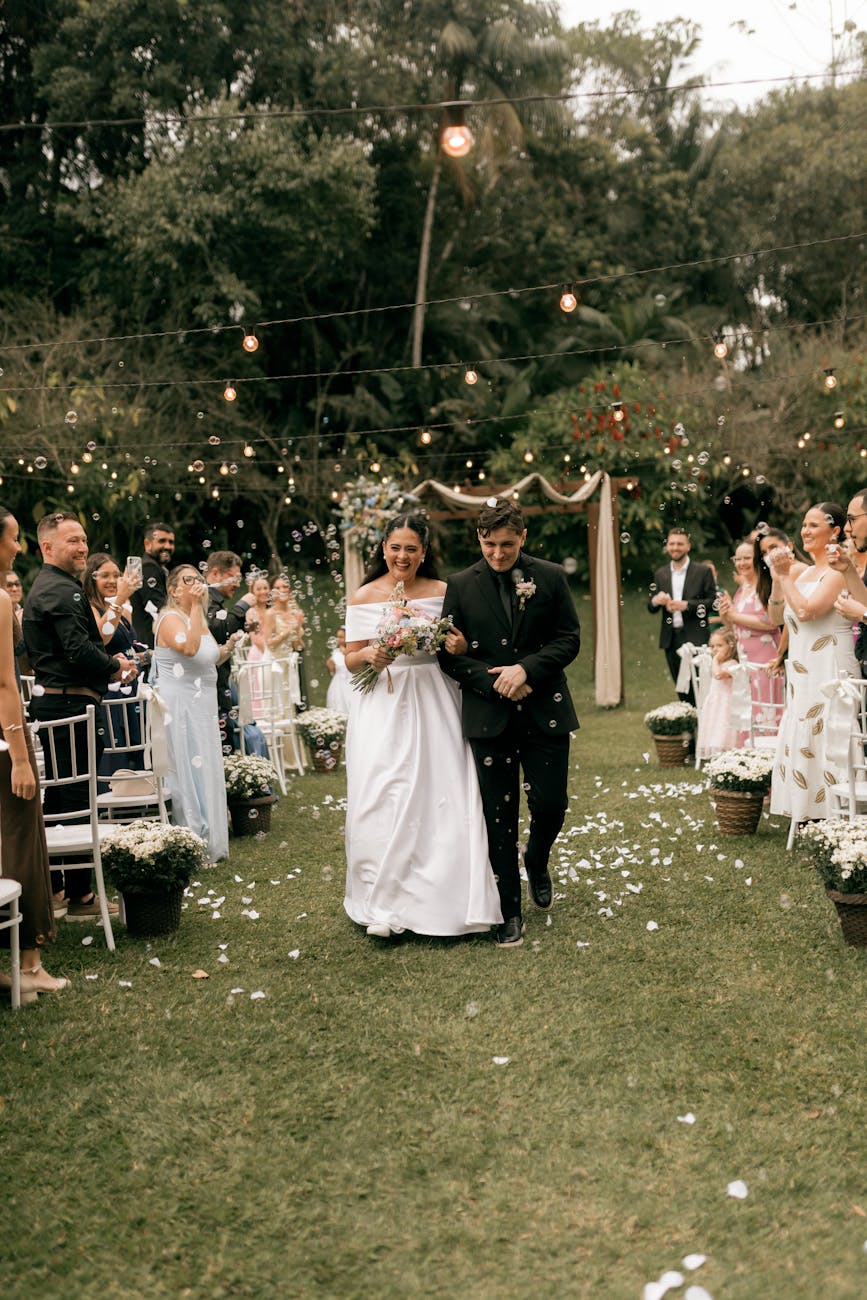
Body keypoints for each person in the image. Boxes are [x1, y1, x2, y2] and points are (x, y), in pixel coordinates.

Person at [343, 513, 502, 940]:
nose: (402, 555)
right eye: (395, 547)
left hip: (436, 697)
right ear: (383, 550)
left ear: (424, 553)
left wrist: (461, 645)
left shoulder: (444, 592)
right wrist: (373, 654)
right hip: (384, 701)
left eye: (411, 548)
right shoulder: (364, 596)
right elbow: (350, 657)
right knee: (384, 791)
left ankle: (447, 899)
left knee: (442, 790)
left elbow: (466, 642)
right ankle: (384, 901)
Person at [439, 497, 581, 948]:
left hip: (545, 710)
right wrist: (495, 681)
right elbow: (447, 654)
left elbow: (569, 639)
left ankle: (536, 860)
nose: (497, 554)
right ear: (478, 538)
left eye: (506, 544)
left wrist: (528, 671)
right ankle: (508, 911)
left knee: (552, 804)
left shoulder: (552, 577)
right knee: (497, 816)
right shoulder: (460, 585)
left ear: (523, 537)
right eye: (488, 544)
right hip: (489, 717)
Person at [23, 512, 137, 919]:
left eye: (84, 539)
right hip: (70, 705)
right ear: (48, 548)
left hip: (61, 702)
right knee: (77, 796)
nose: (83, 547)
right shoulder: (62, 591)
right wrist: (115, 667)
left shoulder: (55, 586)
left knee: (61, 795)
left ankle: (58, 888)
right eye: (73, 541)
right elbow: (78, 651)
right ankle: (80, 896)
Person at [0, 506, 67, 1001]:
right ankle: (29, 964)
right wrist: (21, 758)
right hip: (2, 738)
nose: (17, 548)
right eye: (14, 538)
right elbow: (4, 684)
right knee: (21, 843)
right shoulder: (1, 602)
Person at [767, 503, 857, 830]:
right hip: (802, 665)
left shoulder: (837, 573)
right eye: (803, 524)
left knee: (828, 729)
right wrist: (780, 580)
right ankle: (807, 811)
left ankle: (834, 811)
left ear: (835, 531)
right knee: (803, 725)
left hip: (829, 664)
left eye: (814, 525)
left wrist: (782, 577)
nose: (805, 531)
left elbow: (808, 611)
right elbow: (778, 618)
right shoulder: (802, 572)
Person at [152, 565, 231, 862]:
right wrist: (198, 605)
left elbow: (207, 656)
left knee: (204, 767)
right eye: (189, 580)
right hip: (181, 706)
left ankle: (211, 839)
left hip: (203, 706)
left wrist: (229, 648)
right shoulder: (169, 617)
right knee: (187, 769)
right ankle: (192, 841)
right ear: (173, 590)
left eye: (199, 579)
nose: (197, 583)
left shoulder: (195, 617)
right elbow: (188, 649)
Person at [84, 553, 147, 777]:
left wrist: (147, 656)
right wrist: (120, 599)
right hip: (112, 695)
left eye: (116, 575)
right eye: (105, 575)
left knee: (138, 753)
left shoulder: (119, 609)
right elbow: (102, 638)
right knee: (118, 757)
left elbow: (130, 648)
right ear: (91, 578)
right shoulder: (91, 608)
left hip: (132, 692)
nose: (112, 580)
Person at [718, 538, 783, 740]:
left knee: (766, 704)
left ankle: (769, 752)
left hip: (765, 659)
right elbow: (738, 626)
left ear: (758, 559)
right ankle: (750, 752)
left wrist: (734, 616)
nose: (741, 563)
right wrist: (726, 617)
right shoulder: (742, 588)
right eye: (737, 559)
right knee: (749, 705)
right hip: (747, 660)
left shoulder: (765, 586)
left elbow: (771, 622)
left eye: (747, 558)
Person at [647, 528, 717, 702]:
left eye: (679, 543)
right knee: (681, 686)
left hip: (696, 635)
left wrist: (687, 605)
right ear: (667, 546)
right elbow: (651, 606)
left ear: (688, 546)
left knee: (701, 686)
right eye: (671, 543)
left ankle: (704, 724)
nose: (675, 547)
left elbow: (712, 602)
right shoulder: (660, 574)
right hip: (671, 638)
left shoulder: (702, 571)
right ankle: (689, 724)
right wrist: (657, 600)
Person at [204, 551, 250, 753]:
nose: (238, 584)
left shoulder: (215, 601)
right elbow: (218, 629)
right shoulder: (204, 599)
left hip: (220, 684)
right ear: (216, 573)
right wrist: (242, 606)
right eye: (234, 577)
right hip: (211, 689)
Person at [695, 627, 741, 761]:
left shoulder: (732, 664)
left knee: (723, 729)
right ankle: (715, 755)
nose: (715, 649)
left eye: (719, 645)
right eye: (712, 646)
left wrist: (714, 661)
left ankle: (725, 755)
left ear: (731, 646)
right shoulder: (720, 663)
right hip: (715, 703)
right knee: (713, 727)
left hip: (725, 704)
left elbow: (718, 675)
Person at [264, 574, 307, 709]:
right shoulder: (270, 614)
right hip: (275, 664)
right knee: (277, 706)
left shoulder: (296, 613)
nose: (282, 590)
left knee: (291, 706)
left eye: (285, 586)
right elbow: (270, 643)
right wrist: (290, 629)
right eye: (277, 588)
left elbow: (298, 646)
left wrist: (299, 627)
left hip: (290, 663)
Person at [129, 521, 175, 647]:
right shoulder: (149, 567)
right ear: (147, 543)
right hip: (149, 643)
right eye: (162, 541)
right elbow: (159, 609)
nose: (167, 546)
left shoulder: (155, 568)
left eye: (171, 542)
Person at [326, 627, 351, 714]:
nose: (338, 639)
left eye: (341, 637)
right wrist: (331, 667)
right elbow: (332, 672)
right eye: (337, 637)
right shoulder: (336, 652)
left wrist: (345, 652)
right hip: (338, 685)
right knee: (338, 706)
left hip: (350, 683)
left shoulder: (352, 651)